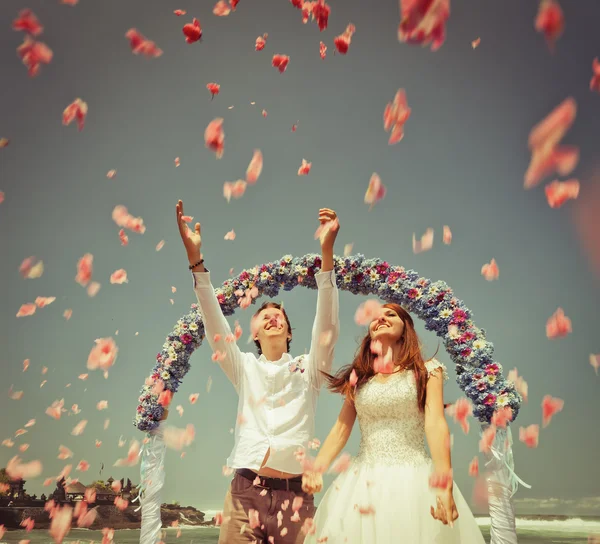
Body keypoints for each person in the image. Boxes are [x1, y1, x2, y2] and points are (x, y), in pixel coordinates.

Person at [173, 200, 341, 544]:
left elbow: (327, 325)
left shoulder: (309, 369)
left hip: (295, 497)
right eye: (264, 315)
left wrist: (327, 253)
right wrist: (196, 261)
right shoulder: (244, 367)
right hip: (244, 493)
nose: (272, 316)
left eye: (279, 314)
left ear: (290, 332)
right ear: (254, 334)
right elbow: (213, 322)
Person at [301, 303, 486, 543]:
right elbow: (341, 429)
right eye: (375, 317)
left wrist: (444, 486)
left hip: (413, 480)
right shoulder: (359, 379)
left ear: (405, 326)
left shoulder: (429, 371)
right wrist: (317, 468)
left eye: (390, 314)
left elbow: (435, 425)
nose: (381, 319)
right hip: (362, 482)